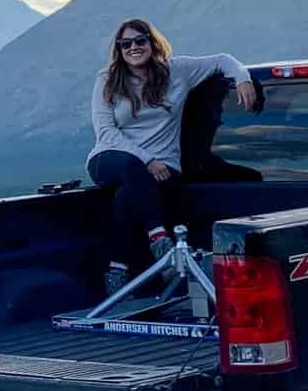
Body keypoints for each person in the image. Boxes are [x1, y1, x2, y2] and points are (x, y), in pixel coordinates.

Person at [90, 18, 259, 283]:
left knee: (125, 196)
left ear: (152, 43)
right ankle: (159, 240)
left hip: (162, 167)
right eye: (126, 44)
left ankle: (117, 272)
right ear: (119, 50)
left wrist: (243, 79)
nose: (133, 47)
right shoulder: (107, 80)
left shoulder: (177, 71)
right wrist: (147, 160)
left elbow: (223, 60)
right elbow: (106, 131)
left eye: (140, 41)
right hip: (110, 158)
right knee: (131, 168)